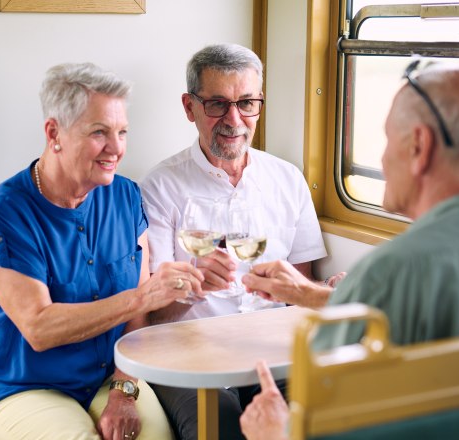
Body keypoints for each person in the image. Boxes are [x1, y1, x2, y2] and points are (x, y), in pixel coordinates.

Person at [239, 62, 459, 440]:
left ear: (419, 146)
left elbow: (327, 423)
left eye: (387, 140)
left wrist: (276, 432)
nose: (382, 160)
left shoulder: (391, 273)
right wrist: (314, 294)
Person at [0, 62, 205, 440]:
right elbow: (39, 328)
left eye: (122, 132)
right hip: (19, 386)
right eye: (99, 132)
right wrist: (141, 297)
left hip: (108, 377)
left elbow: (136, 318)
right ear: (54, 133)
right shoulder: (5, 211)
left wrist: (124, 390)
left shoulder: (125, 196)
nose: (117, 147)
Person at [139, 43, 338, 440]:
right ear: (190, 107)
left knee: (322, 418)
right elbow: (149, 320)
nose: (235, 120)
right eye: (217, 104)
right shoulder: (160, 186)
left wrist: (322, 292)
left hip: (276, 353)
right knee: (221, 428)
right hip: (188, 357)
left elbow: (300, 287)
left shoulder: (287, 179)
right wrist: (193, 290)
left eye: (247, 103)